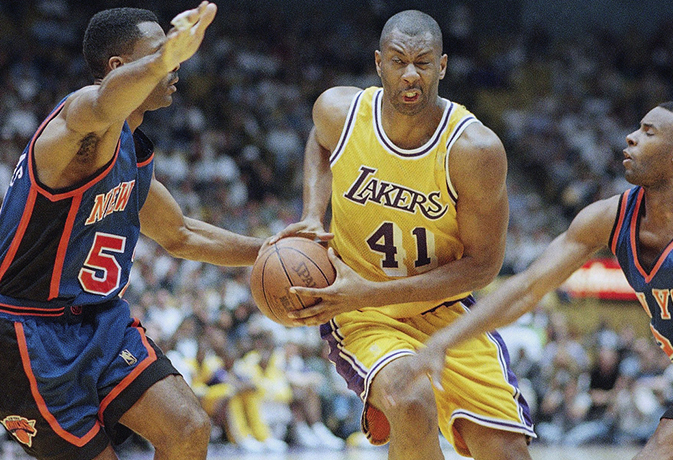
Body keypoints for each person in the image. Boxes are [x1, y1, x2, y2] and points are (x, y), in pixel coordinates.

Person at [0, 3, 264, 460]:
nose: (175, 63)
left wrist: (274, 248)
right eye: (159, 52)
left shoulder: (132, 153)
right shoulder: (78, 122)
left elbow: (181, 234)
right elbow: (104, 102)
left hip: (100, 321)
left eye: (172, 51)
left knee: (188, 429)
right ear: (118, 66)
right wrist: (163, 59)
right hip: (25, 330)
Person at [268, 9, 535, 460]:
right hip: (360, 312)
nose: (411, 74)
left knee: (506, 452)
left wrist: (371, 291)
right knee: (411, 401)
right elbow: (320, 140)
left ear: (442, 67)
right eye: (398, 61)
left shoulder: (474, 150)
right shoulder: (340, 112)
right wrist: (313, 213)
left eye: (423, 63)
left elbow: (483, 266)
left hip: (445, 311)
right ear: (379, 63)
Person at [385, 101, 673, 460]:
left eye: (648, 132)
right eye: (637, 127)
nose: (631, 137)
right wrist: (441, 342)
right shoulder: (608, 218)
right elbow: (527, 288)